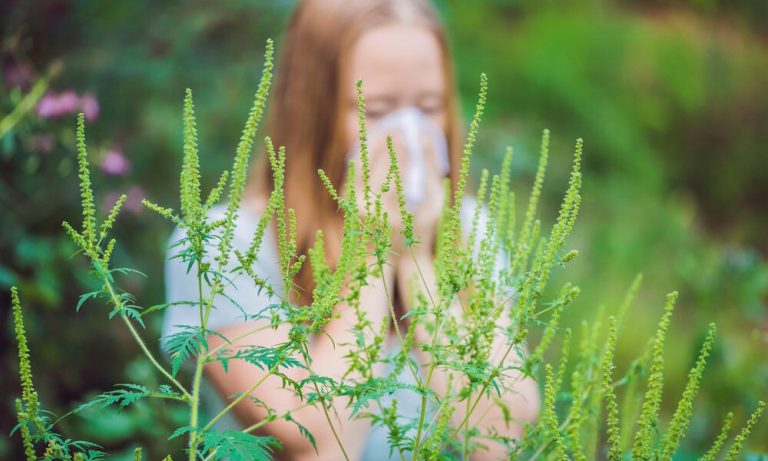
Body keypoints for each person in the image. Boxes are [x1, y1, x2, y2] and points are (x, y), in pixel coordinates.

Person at [164, 0, 540, 459]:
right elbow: (316, 442)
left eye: (428, 106)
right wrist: (372, 254)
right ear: (312, 112)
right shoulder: (223, 246)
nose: (408, 134)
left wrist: (418, 258)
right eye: (377, 110)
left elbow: (499, 436)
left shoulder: (469, 228)